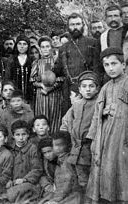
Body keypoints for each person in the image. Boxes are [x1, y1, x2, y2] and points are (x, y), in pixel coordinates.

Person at [86, 47, 128, 203]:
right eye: (106, 65)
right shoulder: (105, 87)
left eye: (114, 63)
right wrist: (93, 138)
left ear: (123, 65)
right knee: (107, 172)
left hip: (123, 138)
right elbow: (96, 115)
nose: (110, 68)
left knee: (123, 171)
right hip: (105, 138)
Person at [60, 71, 99, 190]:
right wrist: (66, 135)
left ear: (97, 89)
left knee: (93, 178)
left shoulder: (98, 104)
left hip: (91, 147)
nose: (88, 89)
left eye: (91, 86)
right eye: (84, 86)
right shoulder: (76, 105)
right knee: (79, 177)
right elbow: (66, 122)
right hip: (76, 148)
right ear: (80, 89)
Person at [58, 13, 101, 113]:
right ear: (68, 27)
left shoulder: (93, 43)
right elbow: (57, 69)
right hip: (70, 89)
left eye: (78, 24)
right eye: (72, 25)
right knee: (70, 118)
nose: (75, 27)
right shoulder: (63, 48)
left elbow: (97, 68)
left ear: (83, 25)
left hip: (89, 88)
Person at [30, 36, 65, 133]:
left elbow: (62, 78)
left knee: (55, 119)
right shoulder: (37, 63)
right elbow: (32, 79)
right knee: (42, 119)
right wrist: (41, 85)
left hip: (55, 95)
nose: (45, 49)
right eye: (43, 47)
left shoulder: (57, 62)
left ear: (51, 48)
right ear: (40, 49)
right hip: (41, 95)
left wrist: (51, 87)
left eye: (47, 46)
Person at [5, 120, 42, 203]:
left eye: (23, 134)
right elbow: (6, 168)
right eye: (17, 135)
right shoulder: (10, 149)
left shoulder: (33, 149)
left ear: (28, 135)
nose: (21, 138)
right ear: (13, 136)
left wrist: (25, 179)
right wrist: (8, 179)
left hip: (29, 183)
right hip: (13, 183)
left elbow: (37, 169)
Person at [39, 131, 81, 204]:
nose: (56, 148)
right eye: (54, 145)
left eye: (60, 145)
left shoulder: (67, 162)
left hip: (71, 196)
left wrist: (56, 200)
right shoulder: (60, 160)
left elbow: (67, 184)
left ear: (68, 146)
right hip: (61, 194)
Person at [9, 35, 34, 103]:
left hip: (30, 95)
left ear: (28, 46)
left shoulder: (32, 59)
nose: (22, 46)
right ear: (16, 45)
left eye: (24, 44)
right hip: (15, 95)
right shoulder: (11, 60)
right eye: (19, 44)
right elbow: (8, 78)